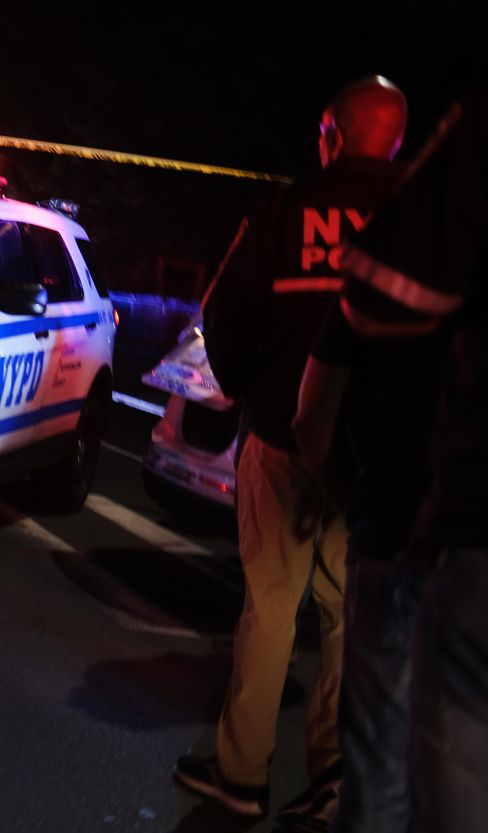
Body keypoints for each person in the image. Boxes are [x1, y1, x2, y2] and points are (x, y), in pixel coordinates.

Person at [173, 76, 407, 828]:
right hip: (378, 457)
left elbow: (224, 309)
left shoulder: (285, 211)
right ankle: (331, 776)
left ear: (330, 134)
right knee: (351, 616)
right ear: (397, 141)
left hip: (282, 439)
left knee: (270, 610)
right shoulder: (422, 220)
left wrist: (255, 392)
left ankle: (241, 774)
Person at [294, 93, 488, 833]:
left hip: (419, 531)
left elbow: (311, 413)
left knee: (384, 769)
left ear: (333, 131)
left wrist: (352, 498)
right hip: (440, 533)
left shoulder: (415, 229)